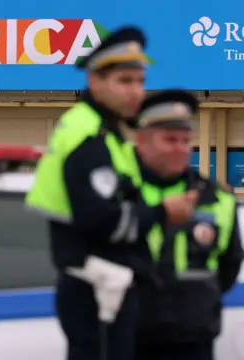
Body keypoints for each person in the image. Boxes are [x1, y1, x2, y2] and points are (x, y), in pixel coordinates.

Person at [25, 27, 199, 360]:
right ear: (95, 82)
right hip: (98, 289)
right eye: (124, 81)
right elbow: (101, 220)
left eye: (140, 81)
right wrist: (163, 212)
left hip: (108, 287)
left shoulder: (106, 130)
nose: (136, 91)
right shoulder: (89, 137)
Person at [131, 90, 244, 360]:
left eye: (185, 140)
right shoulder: (121, 191)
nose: (180, 148)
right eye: (169, 140)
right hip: (127, 335)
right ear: (141, 141)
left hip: (192, 338)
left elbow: (229, 265)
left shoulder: (215, 198)